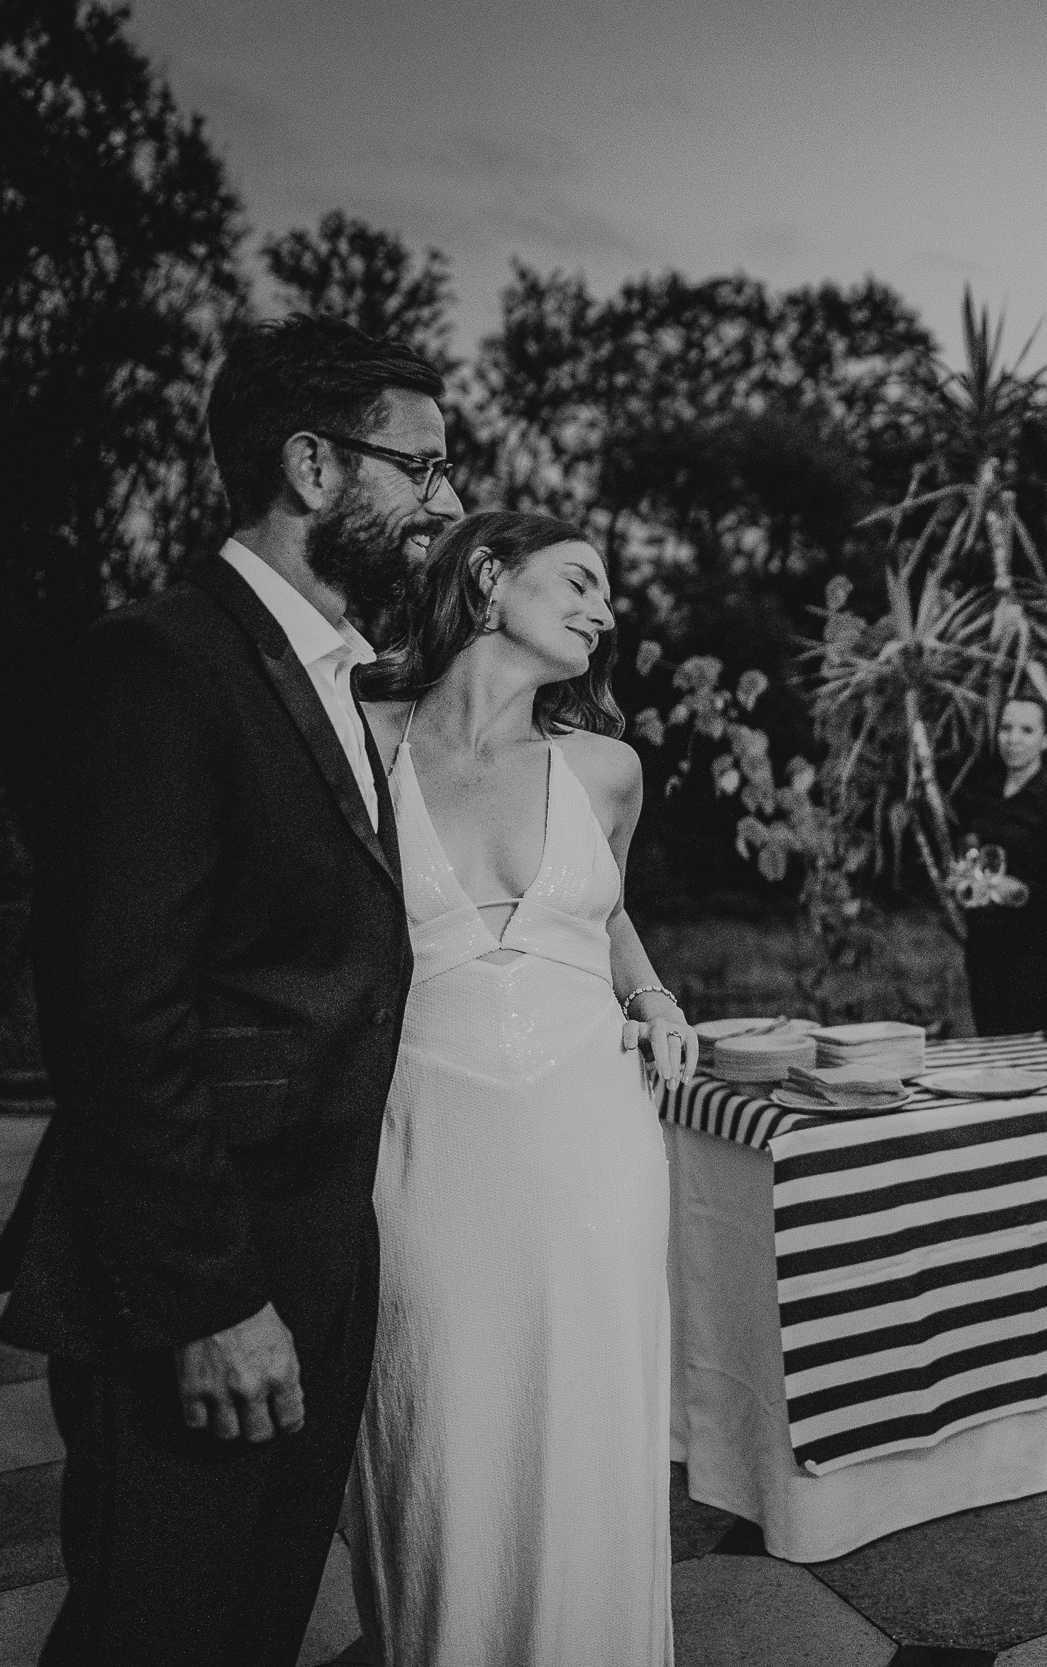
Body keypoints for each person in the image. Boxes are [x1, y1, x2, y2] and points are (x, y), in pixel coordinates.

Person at [0, 316, 459, 1665]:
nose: (445, 502)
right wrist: (209, 1300)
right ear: (313, 463)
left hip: (313, 1251)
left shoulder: (337, 675)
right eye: (420, 469)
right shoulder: (163, 660)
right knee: (157, 1625)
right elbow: (118, 1012)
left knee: (252, 1619)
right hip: (200, 1276)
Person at [342, 511, 695, 1665]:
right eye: (582, 580)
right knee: (437, 1419)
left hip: (591, 1134)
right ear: (491, 578)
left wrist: (652, 996)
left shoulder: (606, 768)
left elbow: (600, 903)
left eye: (609, 594)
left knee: (589, 1430)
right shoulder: (357, 735)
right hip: (423, 1131)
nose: (605, 608)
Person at [958, 694, 1047, 1034]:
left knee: (1027, 1063)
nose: (1013, 738)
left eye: (1027, 730)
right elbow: (974, 861)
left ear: (1045, 739)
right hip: (985, 954)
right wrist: (963, 878)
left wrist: (1023, 892)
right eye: (1006, 728)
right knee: (991, 1060)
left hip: (1036, 960)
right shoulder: (981, 796)